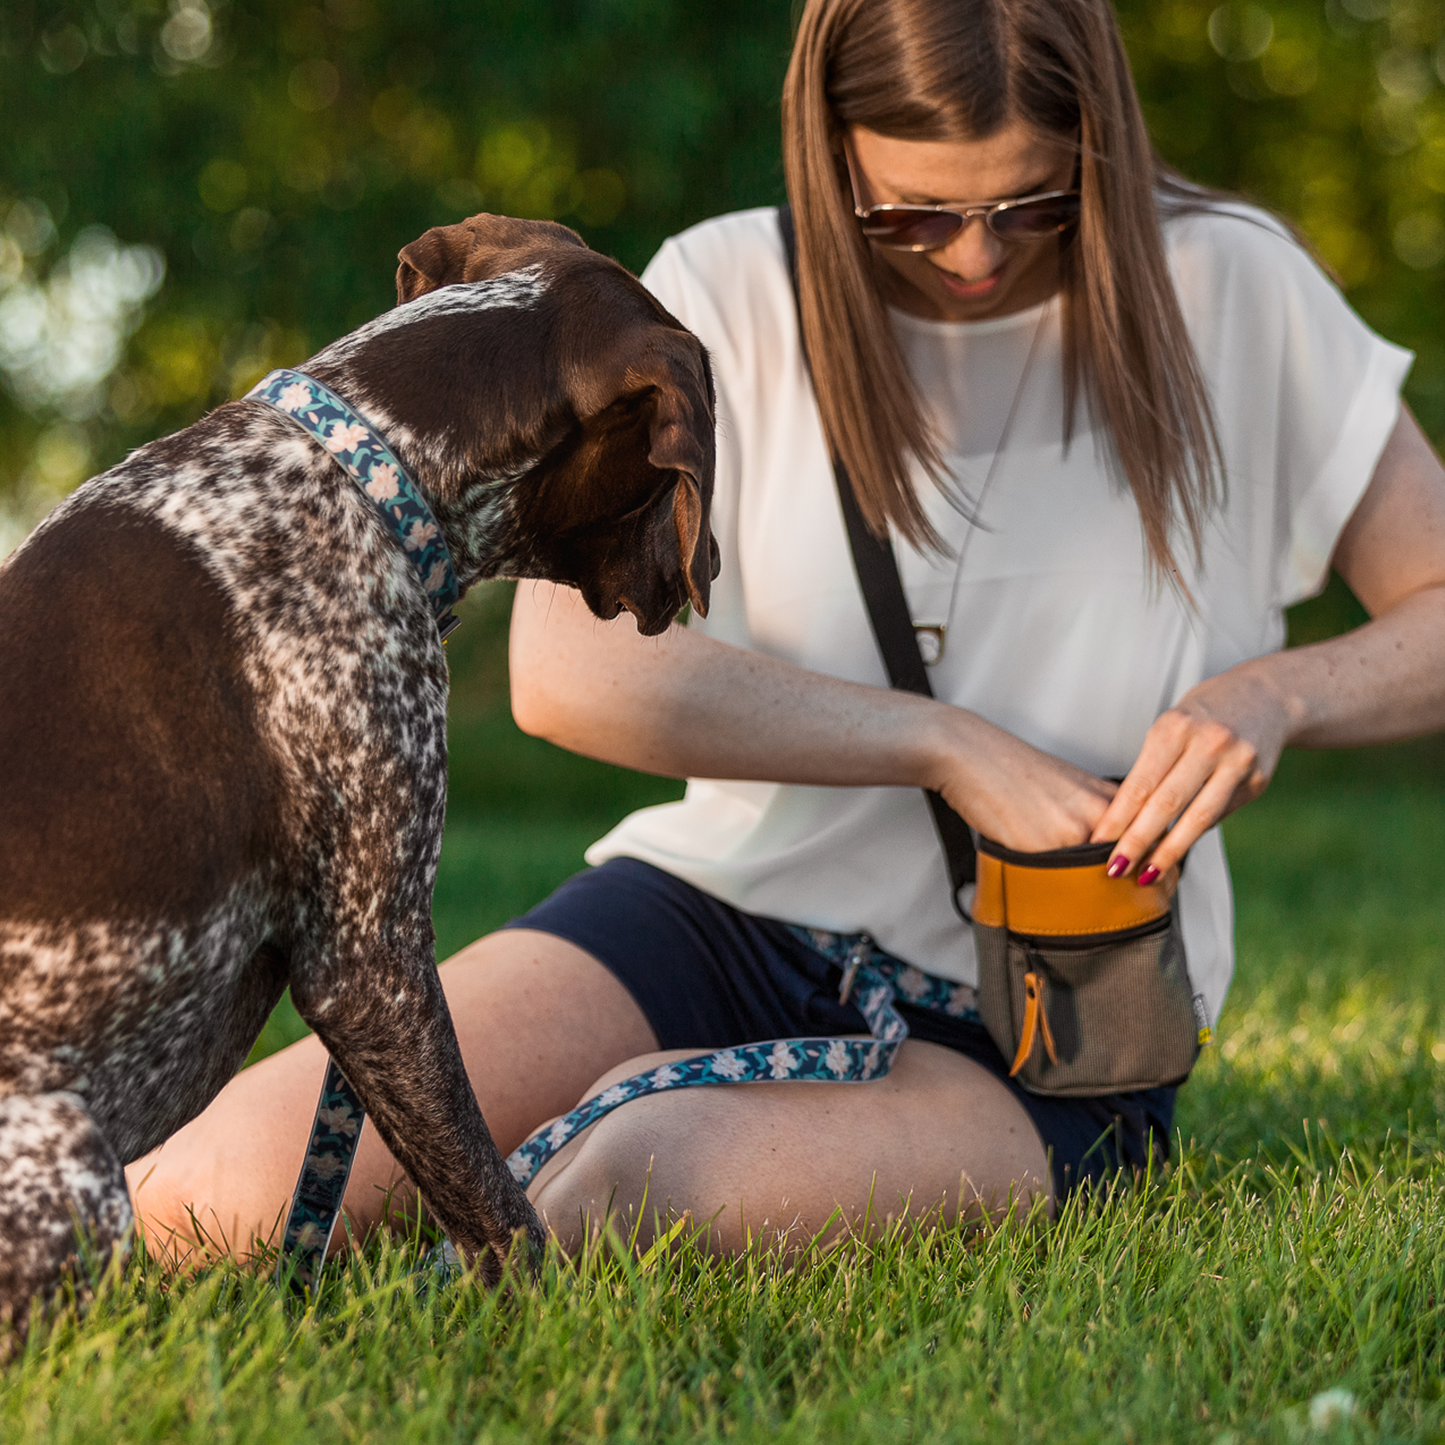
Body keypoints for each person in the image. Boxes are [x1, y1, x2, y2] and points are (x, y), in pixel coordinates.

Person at [128, 0, 1445, 1261]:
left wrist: (1275, 697)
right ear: (829, 154)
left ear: (1100, 142)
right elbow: (567, 673)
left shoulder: (1233, 290)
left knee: (645, 1184)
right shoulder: (726, 286)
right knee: (211, 1199)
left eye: (1033, 203)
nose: (979, 255)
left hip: (1056, 1007)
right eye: (913, 215)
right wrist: (941, 746)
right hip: (713, 910)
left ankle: (673, 1102)